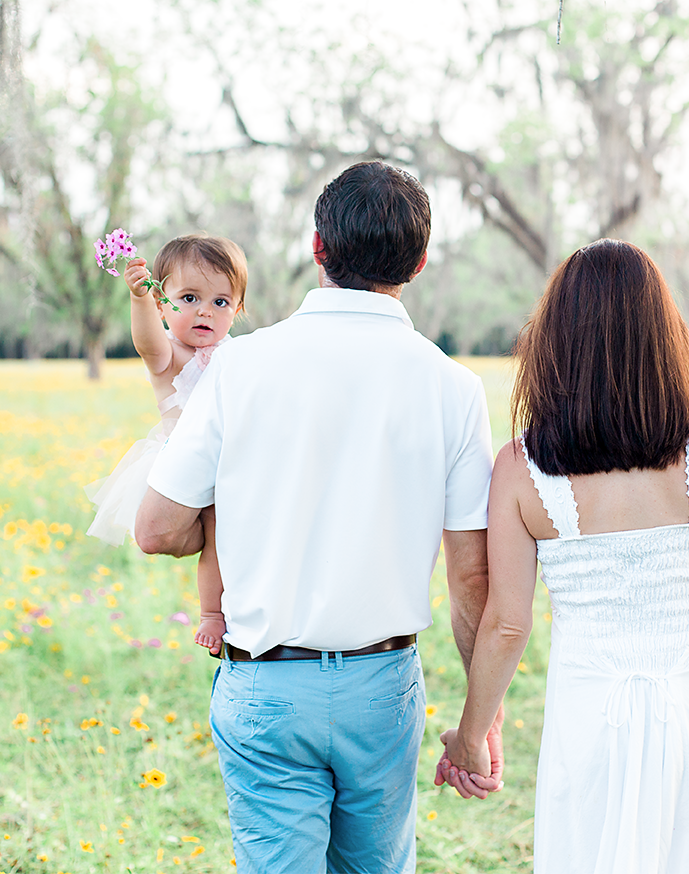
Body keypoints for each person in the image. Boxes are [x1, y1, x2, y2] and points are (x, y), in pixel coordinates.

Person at [134, 161, 500, 874]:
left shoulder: (237, 367)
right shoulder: (454, 388)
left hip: (265, 681)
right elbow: (472, 575)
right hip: (381, 684)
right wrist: (481, 722)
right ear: (418, 264)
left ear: (317, 247)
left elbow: (155, 529)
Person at [439, 239, 689, 873]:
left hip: (589, 724)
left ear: (555, 341)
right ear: (665, 334)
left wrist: (472, 733)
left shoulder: (521, 468)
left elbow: (507, 623)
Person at [84, 234, 246, 656]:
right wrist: (139, 301)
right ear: (162, 304)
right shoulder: (169, 354)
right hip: (183, 462)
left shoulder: (236, 355)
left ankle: (246, 604)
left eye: (221, 302)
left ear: (238, 309)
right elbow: (147, 343)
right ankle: (212, 613)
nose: (204, 312)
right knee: (210, 530)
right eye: (189, 298)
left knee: (225, 533)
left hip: (229, 461)